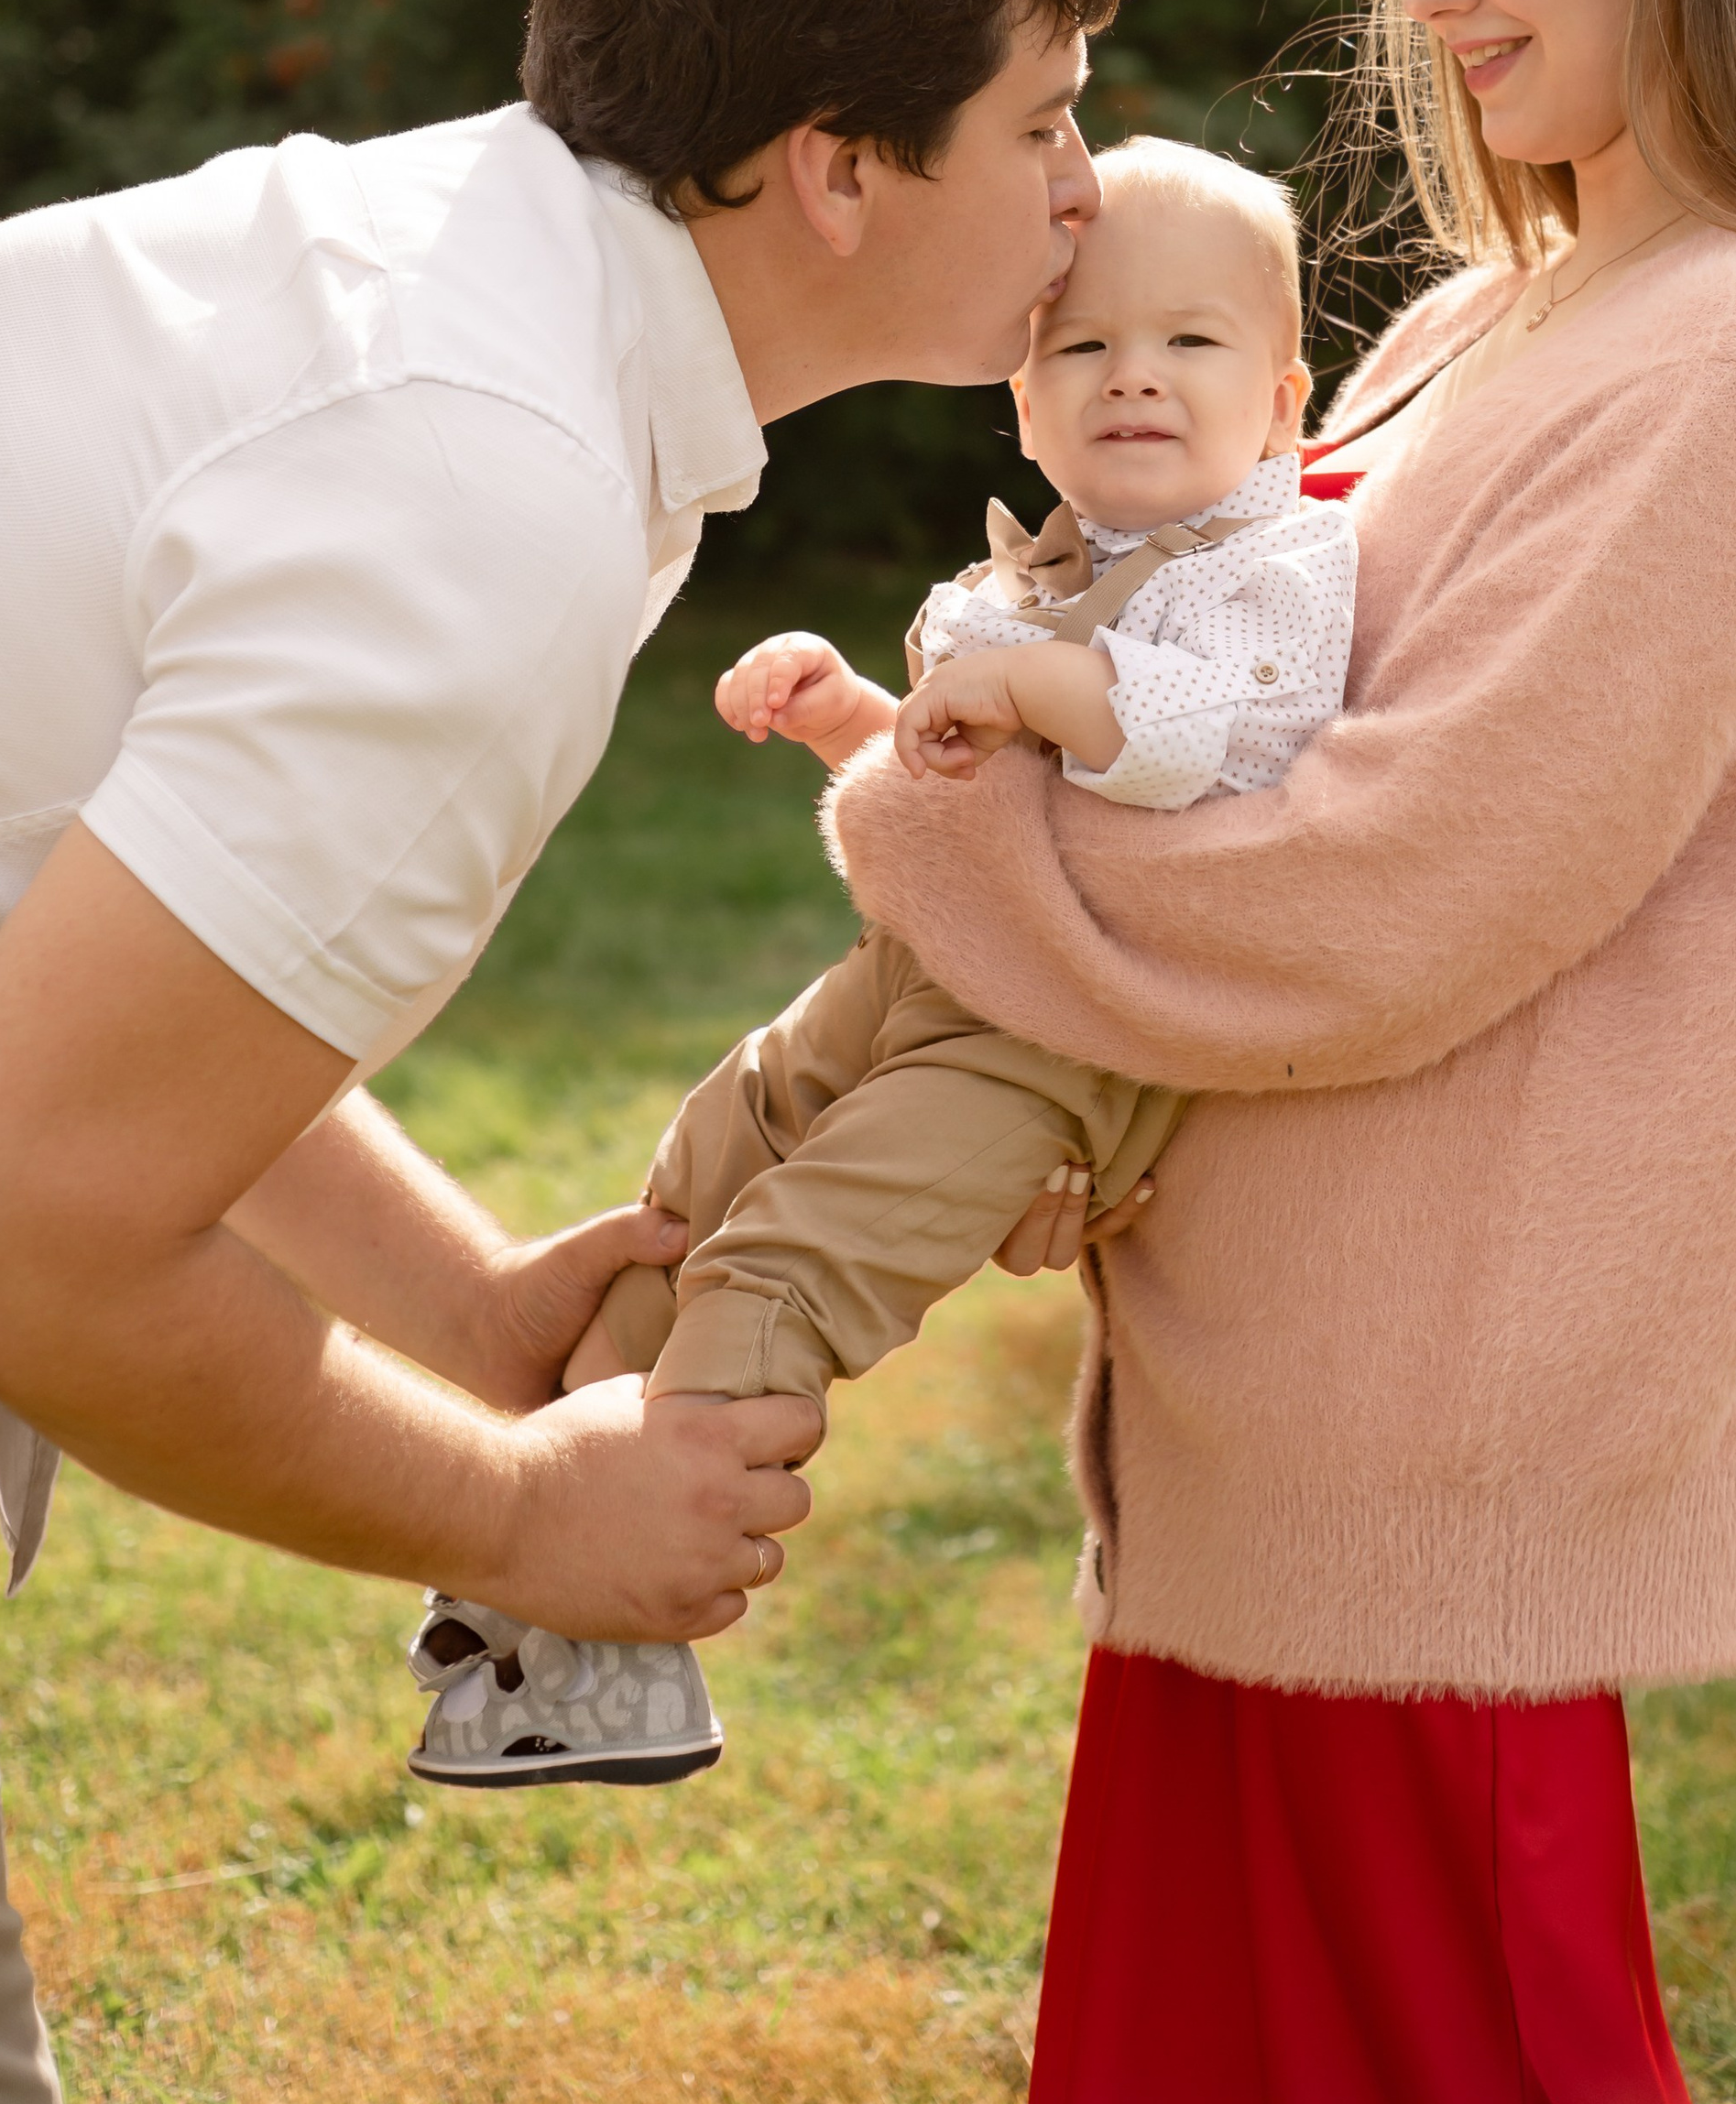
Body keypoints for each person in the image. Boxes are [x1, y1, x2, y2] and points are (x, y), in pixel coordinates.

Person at [826, 0, 1736, 2104]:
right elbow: (1226, 732)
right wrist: (1084, 1087)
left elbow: (1390, 885)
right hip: (1282, 1390)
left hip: (1443, 1425)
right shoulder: (1485, 317)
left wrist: (948, 842)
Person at [0, 0, 1128, 2104]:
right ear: (838, 166)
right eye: (1046, 118)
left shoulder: (468, 304)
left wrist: (461, 1308)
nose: (1093, 187)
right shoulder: (482, 480)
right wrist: (521, 1510)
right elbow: (14, 1240)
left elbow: (81, 938)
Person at [401, 136, 1353, 1789]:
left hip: (1052, 1038)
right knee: (700, 1181)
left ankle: (628, 1641)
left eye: (1189, 342)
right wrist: (857, 714)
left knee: (787, 1266)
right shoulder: (1045, 570)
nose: (1134, 375)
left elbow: (1188, 737)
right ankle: (536, 1532)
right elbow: (964, 788)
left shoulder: (1273, 575)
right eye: (1083, 344)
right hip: (918, 973)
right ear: (1027, 403)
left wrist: (1029, 688)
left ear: (1282, 405)